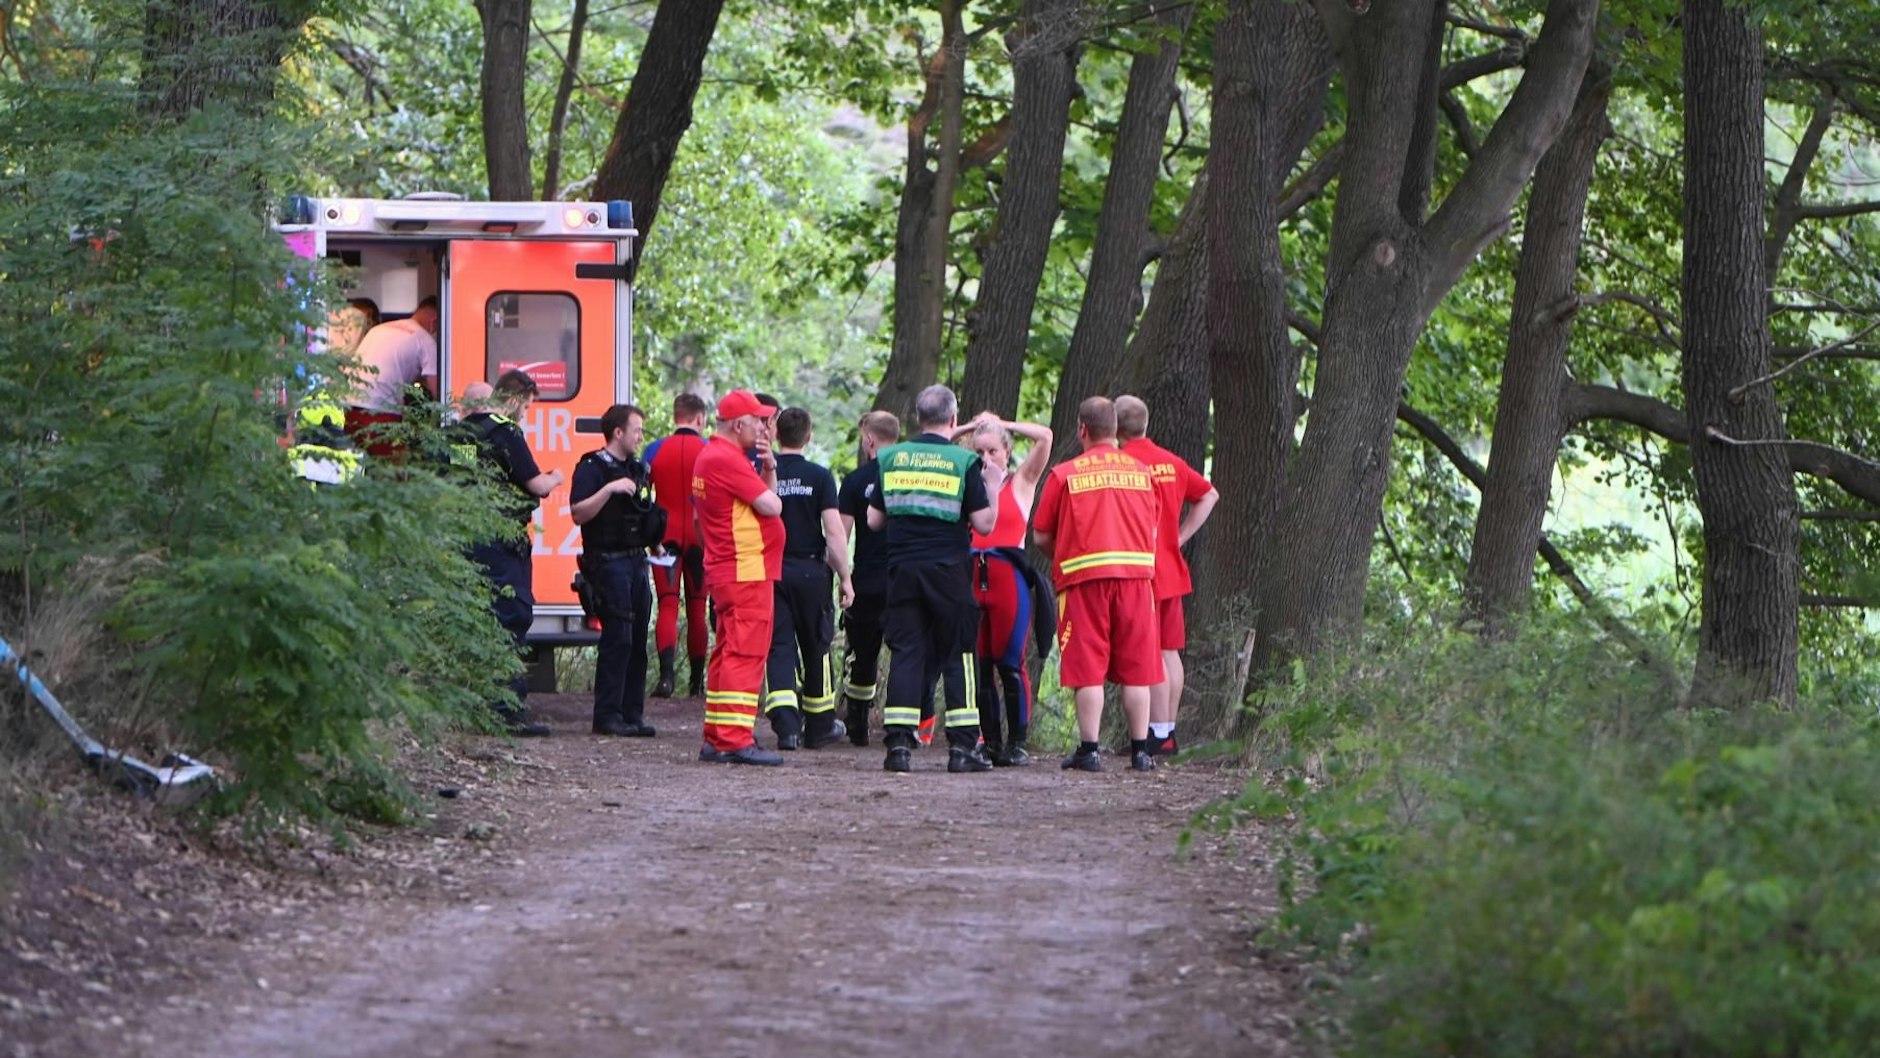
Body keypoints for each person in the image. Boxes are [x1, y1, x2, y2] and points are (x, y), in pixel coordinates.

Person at [866, 384, 1002, 774]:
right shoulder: (963, 463)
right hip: (948, 573)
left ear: (917, 417)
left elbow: (874, 521)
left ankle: (898, 747)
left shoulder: (891, 458)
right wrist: (992, 485)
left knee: (907, 652)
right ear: (954, 420)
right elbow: (985, 524)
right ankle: (962, 749)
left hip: (903, 570)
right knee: (959, 651)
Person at [1031, 396, 1163, 773]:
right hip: (1136, 581)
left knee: (1087, 666)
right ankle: (1141, 752)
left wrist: (1067, 548)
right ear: (1117, 430)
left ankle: (1089, 750)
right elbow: (1152, 527)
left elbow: (1040, 534)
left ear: (1082, 429)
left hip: (1083, 582)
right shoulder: (1142, 472)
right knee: (1137, 668)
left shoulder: (1064, 474)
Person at [452, 370, 563, 737]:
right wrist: (557, 477)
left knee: (474, 620)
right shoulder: (504, 431)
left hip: (465, 539)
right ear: (515, 400)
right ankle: (506, 712)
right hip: (500, 542)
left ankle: (471, 706)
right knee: (510, 619)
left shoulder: (454, 436)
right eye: (528, 407)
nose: (526, 415)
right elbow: (536, 484)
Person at [1115, 395, 1220, 755]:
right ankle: (1166, 729)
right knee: (1169, 650)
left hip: (1139, 568)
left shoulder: (1121, 463)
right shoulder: (1171, 463)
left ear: (1116, 429)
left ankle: (1157, 735)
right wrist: (1180, 536)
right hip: (1171, 568)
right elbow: (1209, 495)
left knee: (1151, 651)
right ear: (1146, 424)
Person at [953, 411, 1053, 766]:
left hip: (1008, 579)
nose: (985, 459)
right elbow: (938, 439)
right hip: (972, 578)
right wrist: (968, 428)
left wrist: (1004, 425)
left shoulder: (1021, 482)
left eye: (993, 451)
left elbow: (1045, 437)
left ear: (1006, 452)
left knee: (1010, 663)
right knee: (980, 666)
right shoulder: (967, 485)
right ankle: (991, 741)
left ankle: (1018, 743)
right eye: (978, 452)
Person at [693, 390, 787, 766]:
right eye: (759, 420)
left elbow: (764, 496)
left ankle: (717, 736)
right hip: (745, 570)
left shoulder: (716, 456)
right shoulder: (725, 459)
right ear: (738, 424)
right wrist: (767, 475)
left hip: (732, 569)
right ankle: (733, 739)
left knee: (728, 651)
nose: (765, 427)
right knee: (745, 653)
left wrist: (769, 466)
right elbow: (773, 504)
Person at [761, 408, 855, 750]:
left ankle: (786, 727)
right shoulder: (819, 476)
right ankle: (819, 726)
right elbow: (833, 532)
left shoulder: (763, 472)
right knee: (817, 646)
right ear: (809, 436)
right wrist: (845, 577)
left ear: (777, 435)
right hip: (811, 572)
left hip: (772, 571)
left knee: (779, 645)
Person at [569, 403, 661, 738]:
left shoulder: (639, 469)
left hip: (637, 561)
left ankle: (632, 714)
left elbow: (645, 510)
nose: (640, 436)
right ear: (618, 432)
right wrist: (609, 489)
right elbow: (578, 513)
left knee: (637, 641)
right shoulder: (592, 468)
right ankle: (606, 716)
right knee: (618, 638)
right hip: (608, 563)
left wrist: (657, 543)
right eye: (636, 430)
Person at [837, 411, 899, 745]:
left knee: (862, 653)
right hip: (902, 577)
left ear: (870, 440)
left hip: (867, 578)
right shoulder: (909, 476)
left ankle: (858, 724)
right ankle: (906, 726)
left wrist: (842, 578)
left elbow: (840, 536)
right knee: (905, 650)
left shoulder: (856, 481)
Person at [643, 392, 710, 698]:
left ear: (675, 417)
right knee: (698, 608)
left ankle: (666, 679)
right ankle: (697, 683)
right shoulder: (710, 450)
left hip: (664, 536)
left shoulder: (654, 450)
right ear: (700, 419)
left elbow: (642, 495)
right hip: (700, 537)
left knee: (668, 604)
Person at [345, 296, 440, 454]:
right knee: (393, 468)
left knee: (361, 466)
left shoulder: (380, 329)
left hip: (350, 410)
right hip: (380, 413)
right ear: (434, 321)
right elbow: (437, 392)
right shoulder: (425, 340)